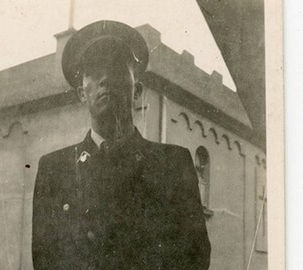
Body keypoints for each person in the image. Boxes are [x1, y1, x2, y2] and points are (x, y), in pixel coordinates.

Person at [32, 20, 211, 270]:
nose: (105, 78)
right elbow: (45, 260)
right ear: (82, 94)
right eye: (94, 72)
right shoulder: (54, 169)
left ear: (136, 90)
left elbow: (194, 257)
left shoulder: (173, 164)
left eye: (117, 68)